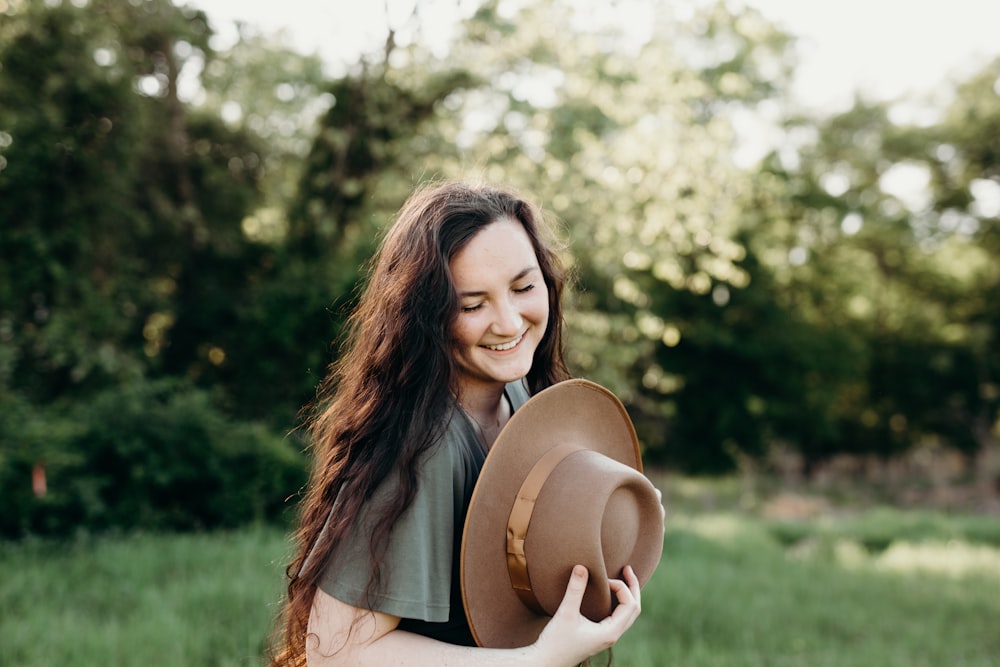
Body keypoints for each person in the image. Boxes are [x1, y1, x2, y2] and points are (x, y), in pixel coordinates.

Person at [269, 180, 648, 667]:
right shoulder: (423, 447)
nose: (509, 323)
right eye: (472, 305)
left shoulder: (515, 395)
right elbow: (334, 653)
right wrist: (538, 660)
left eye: (524, 287)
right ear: (425, 316)